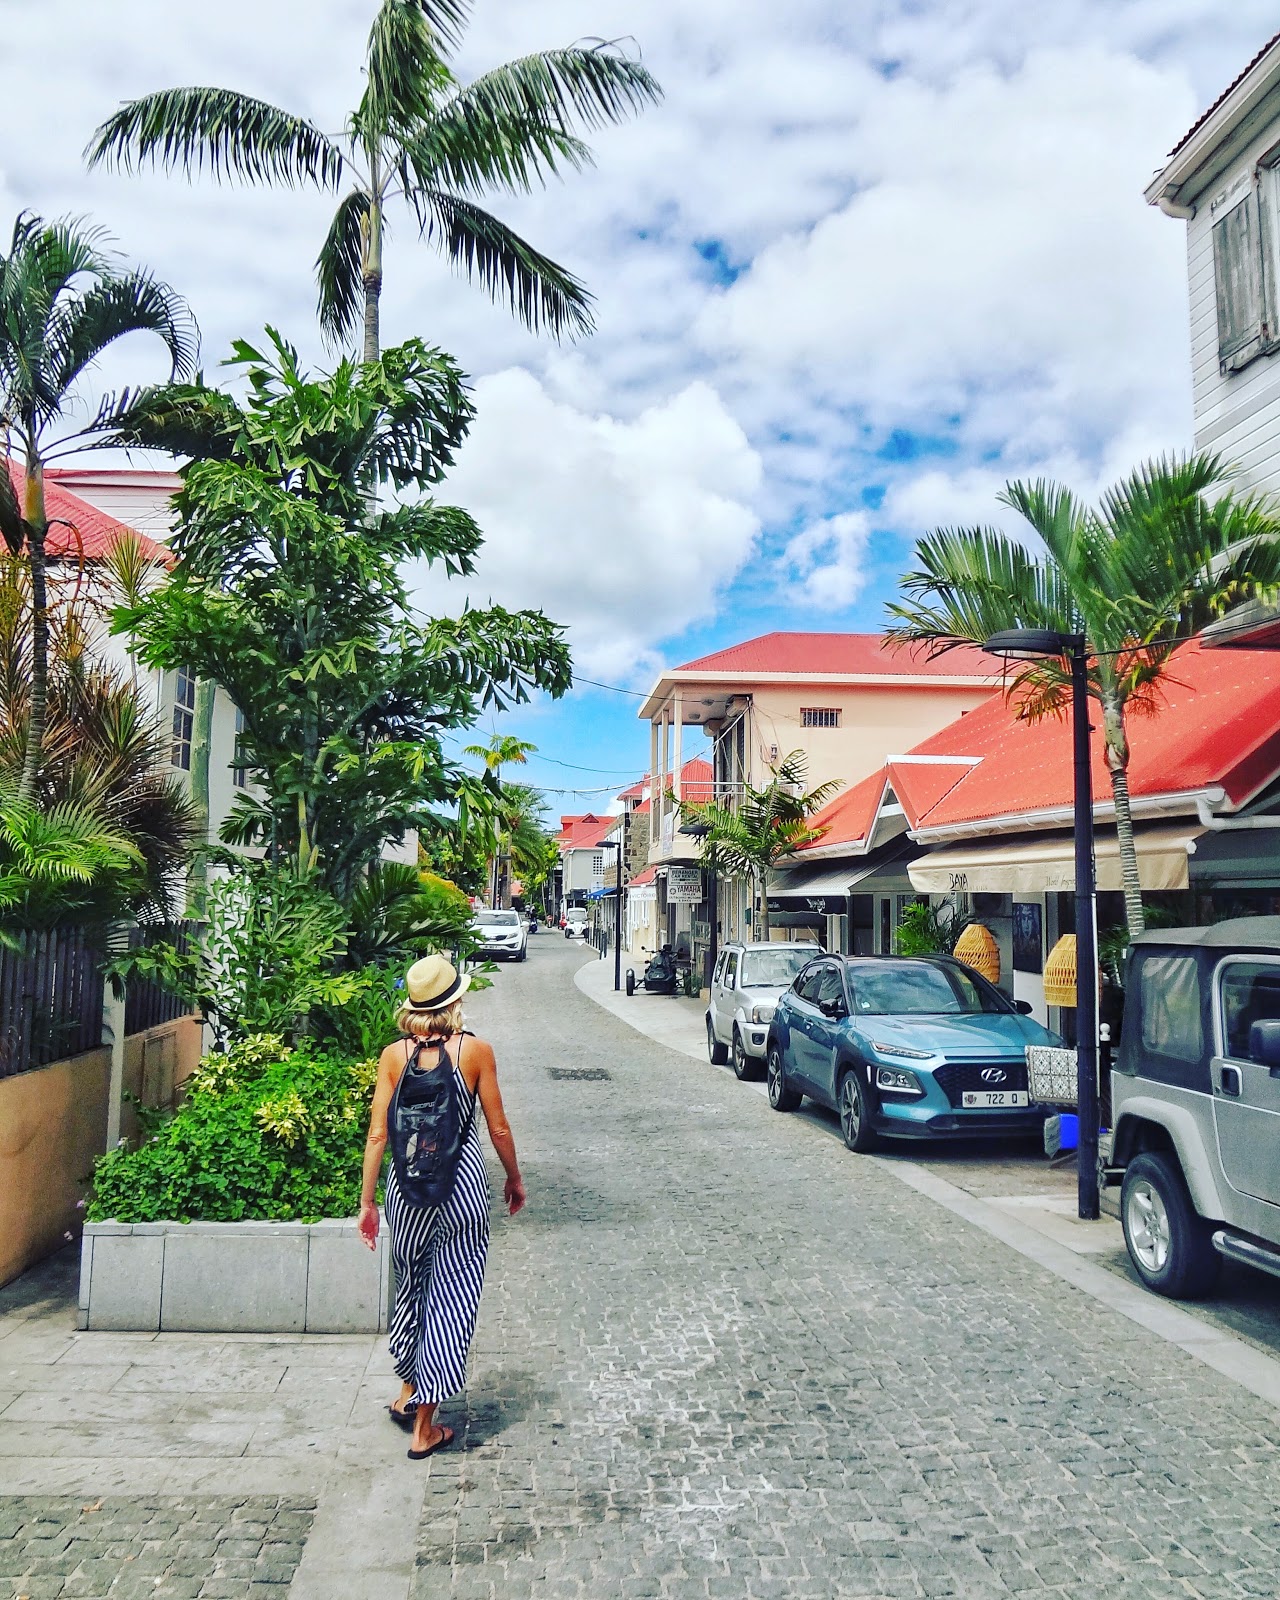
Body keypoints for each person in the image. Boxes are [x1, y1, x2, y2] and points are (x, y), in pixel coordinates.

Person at [358, 953, 526, 1460]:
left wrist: (368, 1202)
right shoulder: (475, 1052)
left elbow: (378, 1134)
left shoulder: (392, 1057)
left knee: (411, 1291)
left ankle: (408, 1392)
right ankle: (424, 1427)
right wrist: (514, 1179)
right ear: (456, 1002)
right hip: (462, 1190)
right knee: (450, 1299)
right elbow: (497, 1127)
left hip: (406, 1191)